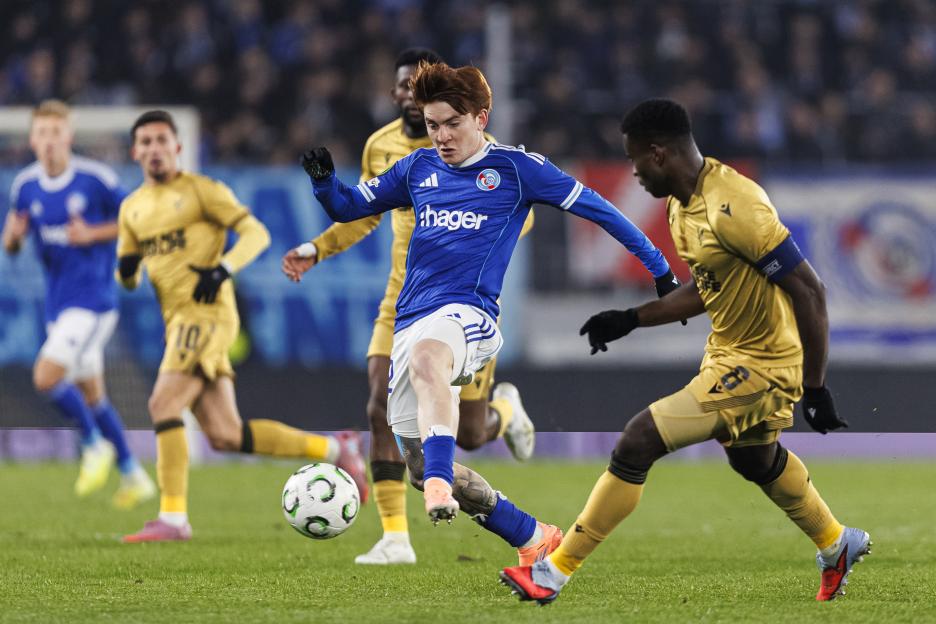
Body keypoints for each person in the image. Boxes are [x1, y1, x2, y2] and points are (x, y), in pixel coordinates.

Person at [299, 64, 679, 563]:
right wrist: (325, 183)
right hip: (412, 321)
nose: (440, 136)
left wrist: (660, 271)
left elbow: (600, 210)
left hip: (470, 316)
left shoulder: (518, 169)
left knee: (431, 364)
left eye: (452, 123)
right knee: (417, 465)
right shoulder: (417, 169)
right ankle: (530, 534)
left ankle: (438, 481)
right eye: (432, 125)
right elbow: (349, 207)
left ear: (481, 117)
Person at [500, 98, 870, 604]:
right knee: (755, 462)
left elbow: (810, 290)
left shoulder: (736, 205)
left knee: (638, 440)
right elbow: (706, 288)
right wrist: (630, 319)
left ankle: (552, 573)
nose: (633, 174)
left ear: (659, 154)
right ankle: (836, 542)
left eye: (634, 162)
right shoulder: (680, 206)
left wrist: (816, 387)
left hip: (763, 366)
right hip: (728, 354)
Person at [282, 48, 536, 566]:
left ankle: (505, 412)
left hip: (461, 307)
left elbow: (518, 215)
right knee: (379, 406)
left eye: (412, 86)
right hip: (401, 300)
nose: (404, 94)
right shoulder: (386, 148)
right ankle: (396, 536)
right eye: (400, 86)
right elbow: (363, 210)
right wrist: (316, 247)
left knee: (470, 431)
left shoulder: (487, 156)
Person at [116, 110, 367, 543]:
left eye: (162, 140)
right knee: (225, 435)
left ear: (177, 147)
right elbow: (129, 277)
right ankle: (334, 449)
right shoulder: (132, 209)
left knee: (162, 404)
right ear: (135, 151)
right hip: (176, 322)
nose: (154, 149)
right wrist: (127, 268)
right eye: (146, 142)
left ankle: (173, 519)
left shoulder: (202, 191)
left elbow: (256, 234)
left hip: (208, 315)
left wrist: (223, 270)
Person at [1, 99, 155, 508]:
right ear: (32, 139)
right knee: (93, 395)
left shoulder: (95, 179)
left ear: (68, 136)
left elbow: (138, 217)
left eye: (56, 132)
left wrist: (95, 233)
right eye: (42, 133)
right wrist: (14, 238)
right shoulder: (25, 186)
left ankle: (92, 443)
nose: (49, 141)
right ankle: (133, 474)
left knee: (46, 378)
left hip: (93, 301)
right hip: (59, 304)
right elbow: (11, 243)